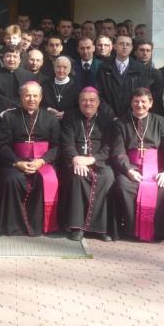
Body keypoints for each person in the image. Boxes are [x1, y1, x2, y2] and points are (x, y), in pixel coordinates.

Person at [110, 88, 164, 241]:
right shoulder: (121, 123)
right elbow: (118, 152)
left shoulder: (159, 121)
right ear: (131, 102)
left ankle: (161, 231)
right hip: (131, 167)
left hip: (155, 169)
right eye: (136, 101)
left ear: (151, 103)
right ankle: (131, 230)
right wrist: (128, 170)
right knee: (123, 186)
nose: (139, 105)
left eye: (143, 102)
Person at [0, 82, 61, 236]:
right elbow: (3, 145)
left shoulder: (50, 118)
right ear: (21, 97)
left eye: (35, 96)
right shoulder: (9, 116)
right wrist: (17, 162)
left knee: (45, 180)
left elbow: (57, 146)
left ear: (40, 98)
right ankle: (13, 226)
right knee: (11, 179)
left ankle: (38, 226)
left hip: (42, 162)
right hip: (16, 161)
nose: (31, 99)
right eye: (27, 95)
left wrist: (42, 161)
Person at [62, 87, 115, 241]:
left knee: (107, 177)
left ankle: (101, 228)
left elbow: (109, 147)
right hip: (76, 160)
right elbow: (67, 142)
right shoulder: (70, 116)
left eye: (92, 100)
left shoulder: (106, 119)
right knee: (78, 176)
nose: (88, 103)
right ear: (79, 102)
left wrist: (92, 159)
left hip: (99, 161)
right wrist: (76, 159)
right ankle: (77, 227)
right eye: (84, 100)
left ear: (98, 103)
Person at [96, 35, 152, 118]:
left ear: (132, 47)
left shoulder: (140, 69)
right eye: (121, 44)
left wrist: (130, 114)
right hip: (108, 118)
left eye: (128, 44)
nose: (125, 47)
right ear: (114, 46)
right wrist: (109, 114)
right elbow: (98, 94)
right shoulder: (104, 67)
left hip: (132, 118)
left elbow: (143, 94)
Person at [0, 45, 34, 120]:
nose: (11, 59)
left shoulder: (29, 77)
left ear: (19, 60)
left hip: (23, 116)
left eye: (15, 56)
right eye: (8, 56)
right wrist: (2, 112)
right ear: (3, 58)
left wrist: (21, 111)